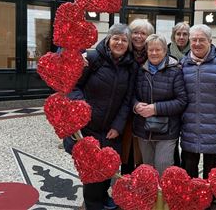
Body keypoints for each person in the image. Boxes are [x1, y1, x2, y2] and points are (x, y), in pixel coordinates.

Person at [67, 24, 137, 210]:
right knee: (92, 173)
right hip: (88, 126)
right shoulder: (92, 58)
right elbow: (73, 86)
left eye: (124, 39)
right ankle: (93, 205)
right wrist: (81, 109)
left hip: (111, 129)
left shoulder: (130, 66)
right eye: (116, 38)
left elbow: (127, 100)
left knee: (107, 167)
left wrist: (118, 126)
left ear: (128, 44)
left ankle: (104, 198)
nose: (119, 42)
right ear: (108, 39)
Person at [180, 24, 216, 181]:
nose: (197, 43)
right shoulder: (183, 64)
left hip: (215, 127)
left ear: (210, 41)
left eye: (202, 40)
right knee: (188, 169)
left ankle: (208, 201)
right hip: (189, 127)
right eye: (194, 40)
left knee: (212, 171)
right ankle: (191, 199)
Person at [133, 34, 187, 176]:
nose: (154, 53)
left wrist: (155, 109)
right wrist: (136, 105)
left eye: (158, 50)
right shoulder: (140, 70)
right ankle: (150, 198)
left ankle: (164, 198)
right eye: (151, 50)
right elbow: (131, 95)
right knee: (147, 169)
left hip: (167, 130)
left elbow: (181, 101)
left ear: (165, 51)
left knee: (163, 166)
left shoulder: (175, 70)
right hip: (143, 129)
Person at [121, 18, 155, 175]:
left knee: (143, 151)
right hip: (123, 109)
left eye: (143, 33)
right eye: (135, 32)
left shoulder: (153, 55)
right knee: (125, 150)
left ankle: (143, 183)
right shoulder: (122, 52)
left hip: (146, 109)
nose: (139, 36)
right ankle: (125, 184)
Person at [167, 22, 191, 166]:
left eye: (185, 34)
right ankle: (174, 168)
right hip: (172, 101)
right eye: (178, 34)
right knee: (172, 140)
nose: (181, 37)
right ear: (173, 35)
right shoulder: (166, 51)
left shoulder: (195, 50)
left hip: (190, 102)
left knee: (188, 141)